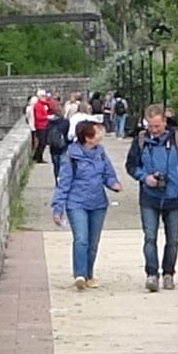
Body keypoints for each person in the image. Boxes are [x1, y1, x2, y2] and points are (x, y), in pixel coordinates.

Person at [126, 104, 178, 291]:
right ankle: (151, 274)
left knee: (173, 239)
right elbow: (131, 165)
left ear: (164, 122)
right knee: (150, 237)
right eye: (150, 126)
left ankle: (169, 273)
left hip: (172, 195)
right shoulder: (140, 140)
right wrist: (145, 177)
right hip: (149, 196)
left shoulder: (177, 139)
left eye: (157, 126)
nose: (153, 130)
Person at [49, 117, 120, 290]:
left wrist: (113, 184)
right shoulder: (71, 157)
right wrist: (57, 209)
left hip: (98, 203)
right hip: (76, 203)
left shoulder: (101, 152)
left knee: (93, 241)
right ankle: (79, 274)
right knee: (81, 238)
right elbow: (63, 184)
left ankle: (89, 274)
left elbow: (108, 173)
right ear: (87, 137)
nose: (101, 134)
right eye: (97, 131)